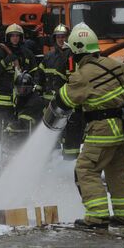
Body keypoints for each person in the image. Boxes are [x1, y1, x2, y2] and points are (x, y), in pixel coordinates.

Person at [48, 23, 124, 229]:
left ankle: (97, 217)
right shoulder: (116, 64)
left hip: (103, 131)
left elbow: (65, 100)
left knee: (86, 169)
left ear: (78, 50)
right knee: (117, 171)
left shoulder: (81, 76)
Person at [35, 24, 83, 159]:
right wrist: (38, 89)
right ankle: (51, 158)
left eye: (63, 37)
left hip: (65, 102)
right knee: (51, 131)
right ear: (54, 38)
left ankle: (68, 160)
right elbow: (40, 74)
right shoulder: (49, 56)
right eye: (58, 37)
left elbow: (73, 79)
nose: (61, 39)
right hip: (49, 102)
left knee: (68, 132)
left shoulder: (71, 55)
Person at [0, 24, 37, 128]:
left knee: (20, 124)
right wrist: (5, 61)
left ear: (21, 37)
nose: (15, 38)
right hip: (3, 98)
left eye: (17, 36)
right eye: (12, 35)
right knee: (2, 126)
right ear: (7, 37)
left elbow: (35, 72)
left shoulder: (27, 53)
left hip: (22, 97)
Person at [2, 71, 44, 155]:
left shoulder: (34, 101)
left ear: (29, 88)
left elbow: (25, 121)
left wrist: (12, 126)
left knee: (13, 137)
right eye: (18, 88)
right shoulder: (22, 98)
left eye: (23, 89)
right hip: (24, 130)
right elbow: (16, 115)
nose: (20, 91)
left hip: (33, 134)